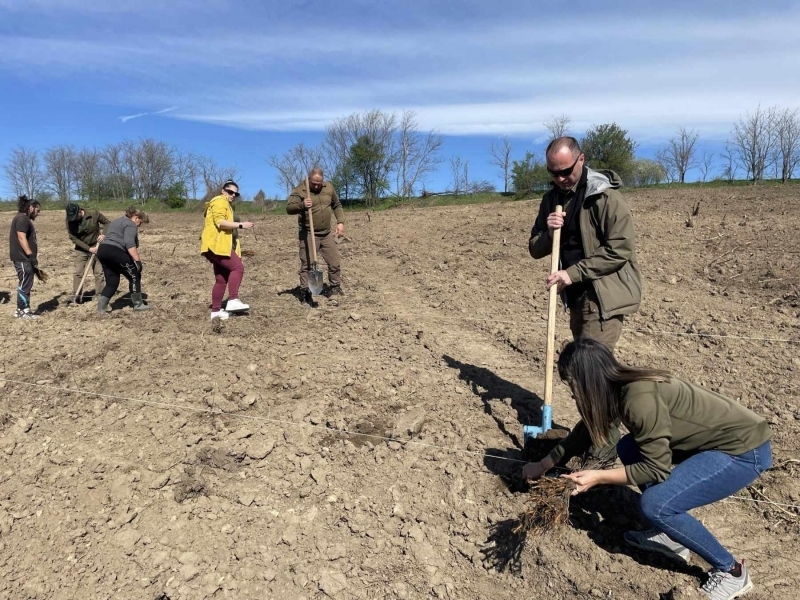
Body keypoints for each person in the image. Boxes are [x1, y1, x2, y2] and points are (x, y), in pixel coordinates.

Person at [523, 339, 772, 600]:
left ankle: (731, 571)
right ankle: (671, 535)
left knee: (655, 505)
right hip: (719, 441)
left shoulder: (637, 399)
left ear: (587, 380)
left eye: (572, 384)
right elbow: (584, 433)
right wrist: (543, 465)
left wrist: (598, 477)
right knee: (629, 447)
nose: (573, 393)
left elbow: (656, 468)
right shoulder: (615, 388)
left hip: (744, 450)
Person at [528, 136, 641, 353]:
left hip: (602, 295)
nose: (560, 178)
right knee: (583, 370)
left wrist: (572, 273)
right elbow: (535, 248)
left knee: (590, 368)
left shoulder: (604, 196)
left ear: (581, 159)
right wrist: (550, 234)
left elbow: (619, 249)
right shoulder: (551, 199)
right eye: (553, 173)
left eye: (565, 171)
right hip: (575, 295)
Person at [286, 167, 345, 306]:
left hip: (326, 233)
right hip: (308, 234)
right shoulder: (301, 189)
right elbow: (289, 208)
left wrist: (340, 222)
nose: (317, 186)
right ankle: (305, 292)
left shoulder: (329, 187)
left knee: (335, 261)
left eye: (319, 183)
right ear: (309, 179)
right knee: (307, 264)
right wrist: (301, 205)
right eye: (314, 183)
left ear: (323, 180)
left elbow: (337, 204)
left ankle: (335, 287)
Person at [200, 179, 254, 320]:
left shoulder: (227, 205)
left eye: (236, 194)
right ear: (223, 191)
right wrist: (241, 225)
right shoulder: (219, 201)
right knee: (238, 267)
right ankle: (233, 300)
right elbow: (220, 222)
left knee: (221, 279)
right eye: (230, 192)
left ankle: (216, 311)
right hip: (217, 245)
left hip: (216, 246)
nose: (233, 195)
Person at [96, 206, 151, 314]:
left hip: (103, 251)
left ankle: (101, 308)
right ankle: (138, 305)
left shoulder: (117, 221)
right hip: (115, 251)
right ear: (136, 218)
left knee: (112, 281)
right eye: (140, 222)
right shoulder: (130, 224)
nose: (139, 225)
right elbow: (129, 244)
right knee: (135, 275)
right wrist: (137, 261)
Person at [65, 202, 110, 304]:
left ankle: (100, 295)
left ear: (80, 211)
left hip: (97, 247)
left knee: (99, 272)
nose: (73, 219)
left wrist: (104, 234)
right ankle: (76, 295)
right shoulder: (69, 220)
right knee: (78, 272)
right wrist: (88, 248)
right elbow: (73, 237)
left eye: (75, 216)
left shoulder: (93, 214)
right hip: (81, 248)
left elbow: (107, 222)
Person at [8, 195, 41, 319]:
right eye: (37, 210)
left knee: (26, 282)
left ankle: (20, 310)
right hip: (22, 258)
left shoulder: (22, 218)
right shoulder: (22, 219)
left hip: (23, 258)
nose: (37, 214)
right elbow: (21, 237)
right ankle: (24, 311)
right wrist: (30, 255)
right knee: (25, 283)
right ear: (31, 208)